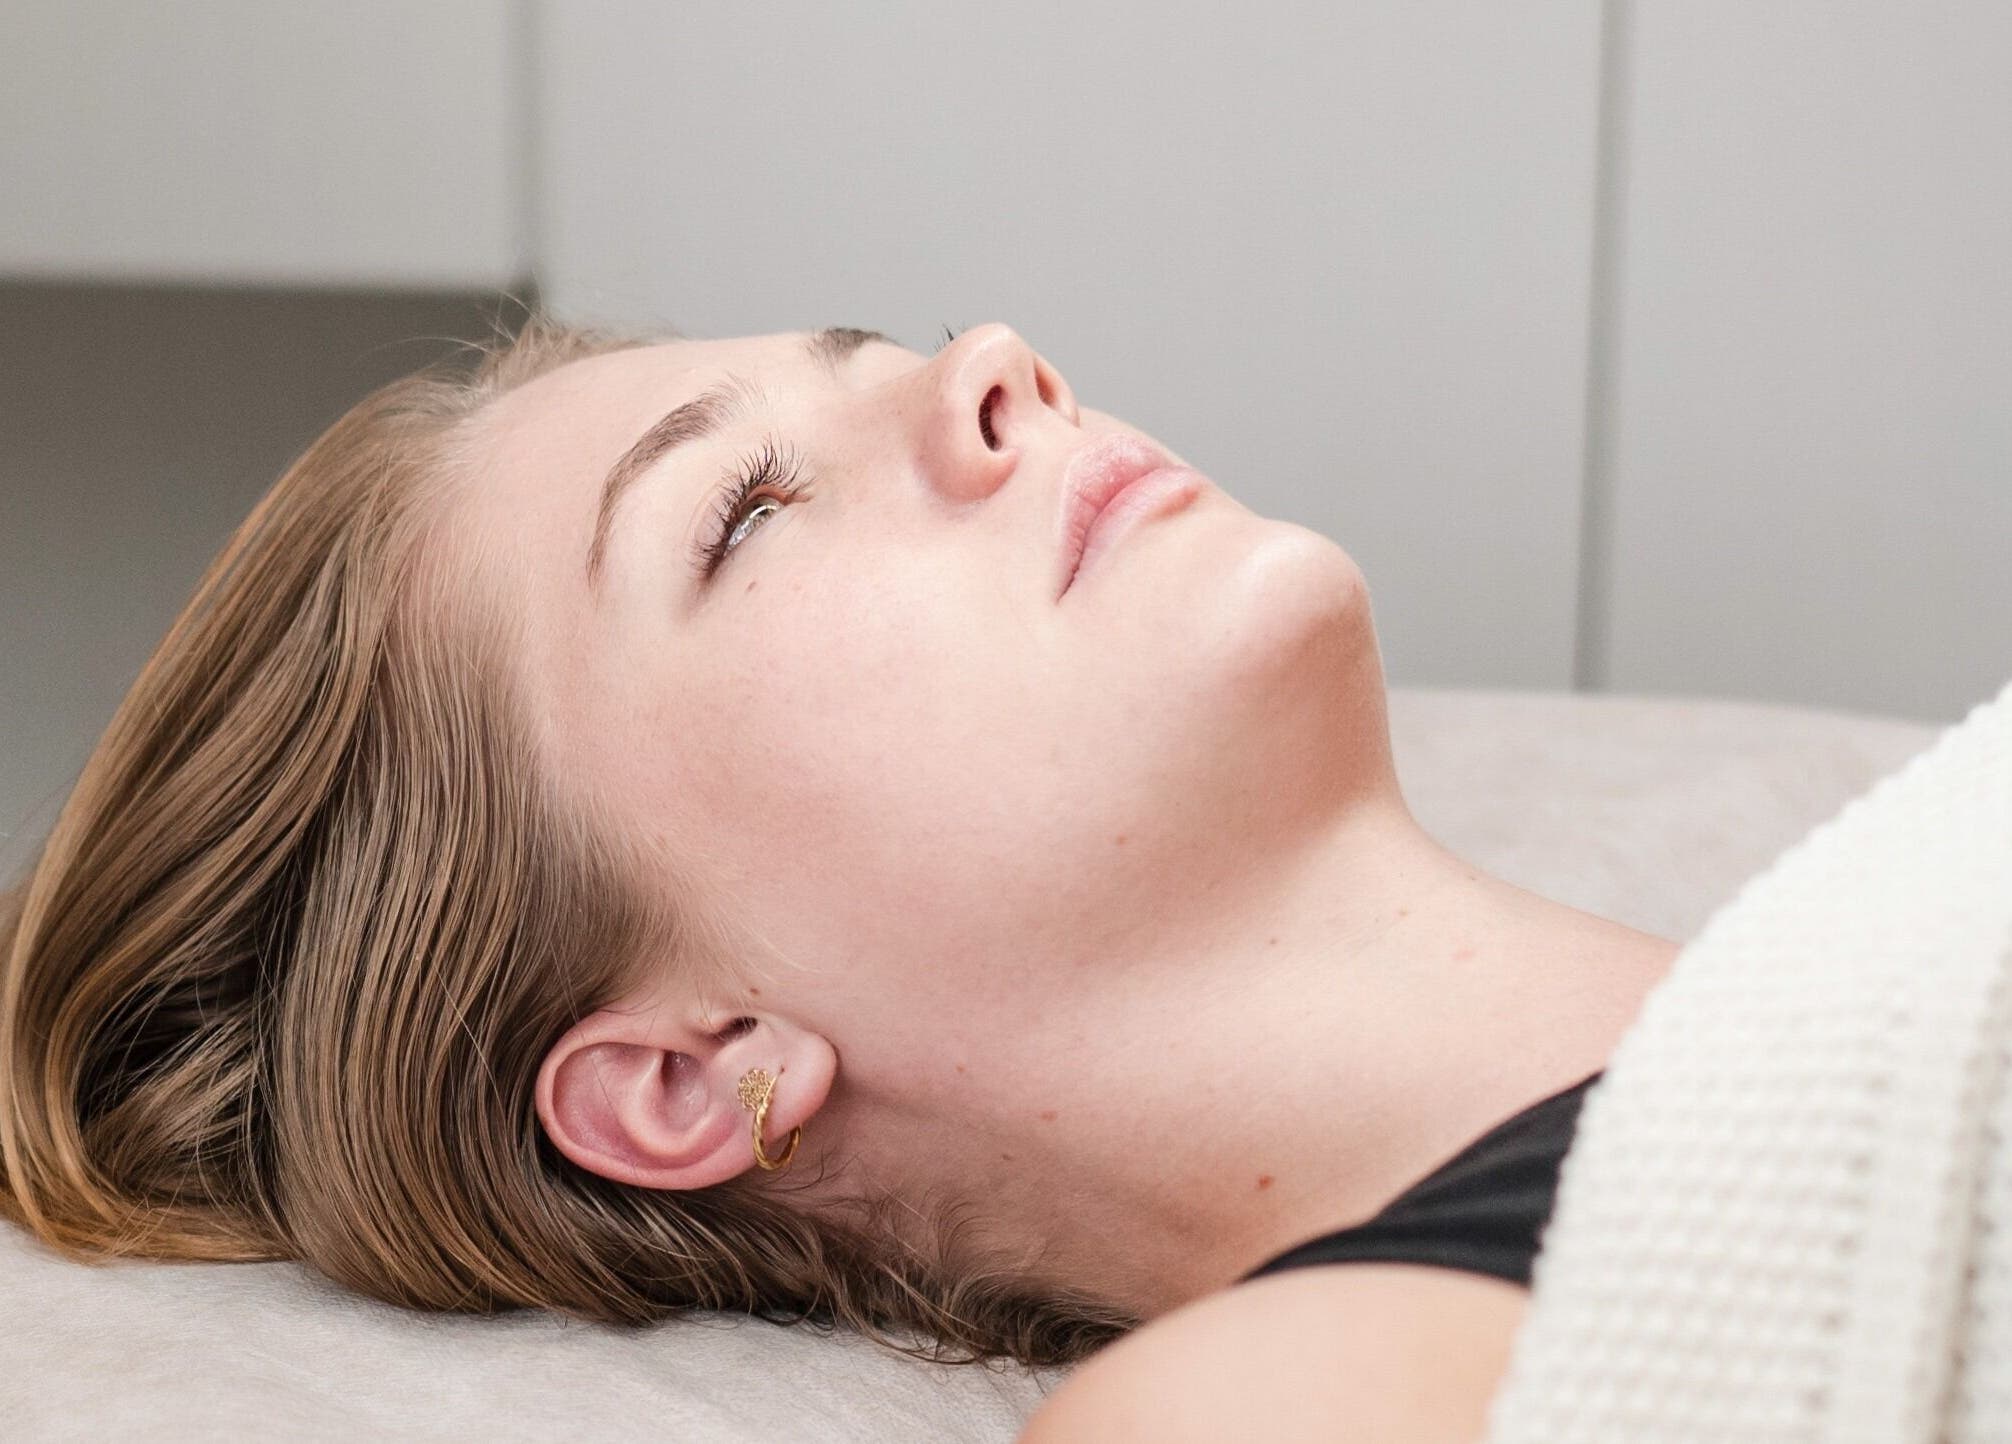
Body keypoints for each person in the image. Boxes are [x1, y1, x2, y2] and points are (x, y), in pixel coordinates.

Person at [0, 312, 1681, 1441]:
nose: (996, 362)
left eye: (883, 353)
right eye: (747, 511)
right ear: (689, 1073)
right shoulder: (1292, 1402)